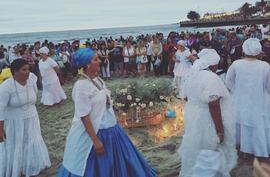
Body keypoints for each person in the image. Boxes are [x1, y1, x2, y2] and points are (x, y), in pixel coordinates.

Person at [58, 48, 156, 177]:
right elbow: (84, 116)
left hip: (112, 129)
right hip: (97, 132)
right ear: (87, 64)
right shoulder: (81, 86)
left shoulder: (97, 79)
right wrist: (96, 141)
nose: (100, 61)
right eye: (96, 59)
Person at [178, 49, 237, 177]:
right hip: (207, 117)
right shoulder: (211, 78)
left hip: (193, 115)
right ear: (213, 65)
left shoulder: (192, 75)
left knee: (196, 146)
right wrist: (220, 130)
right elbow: (214, 105)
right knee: (211, 146)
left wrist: (197, 103)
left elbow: (185, 97)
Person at [0, 59, 51, 177]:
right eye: (24, 70)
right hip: (14, 122)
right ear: (15, 71)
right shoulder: (6, 87)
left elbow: (34, 98)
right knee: (17, 144)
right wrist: (0, 129)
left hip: (32, 118)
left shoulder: (32, 80)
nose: (27, 72)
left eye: (28, 69)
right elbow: (0, 109)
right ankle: (17, 168)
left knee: (32, 141)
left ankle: (32, 165)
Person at [225, 38, 270, 159]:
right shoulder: (264, 66)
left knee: (241, 122)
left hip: (240, 99)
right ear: (259, 51)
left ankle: (243, 147)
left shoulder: (237, 64)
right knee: (257, 122)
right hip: (259, 99)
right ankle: (257, 148)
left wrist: (236, 91)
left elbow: (228, 81)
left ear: (244, 50)